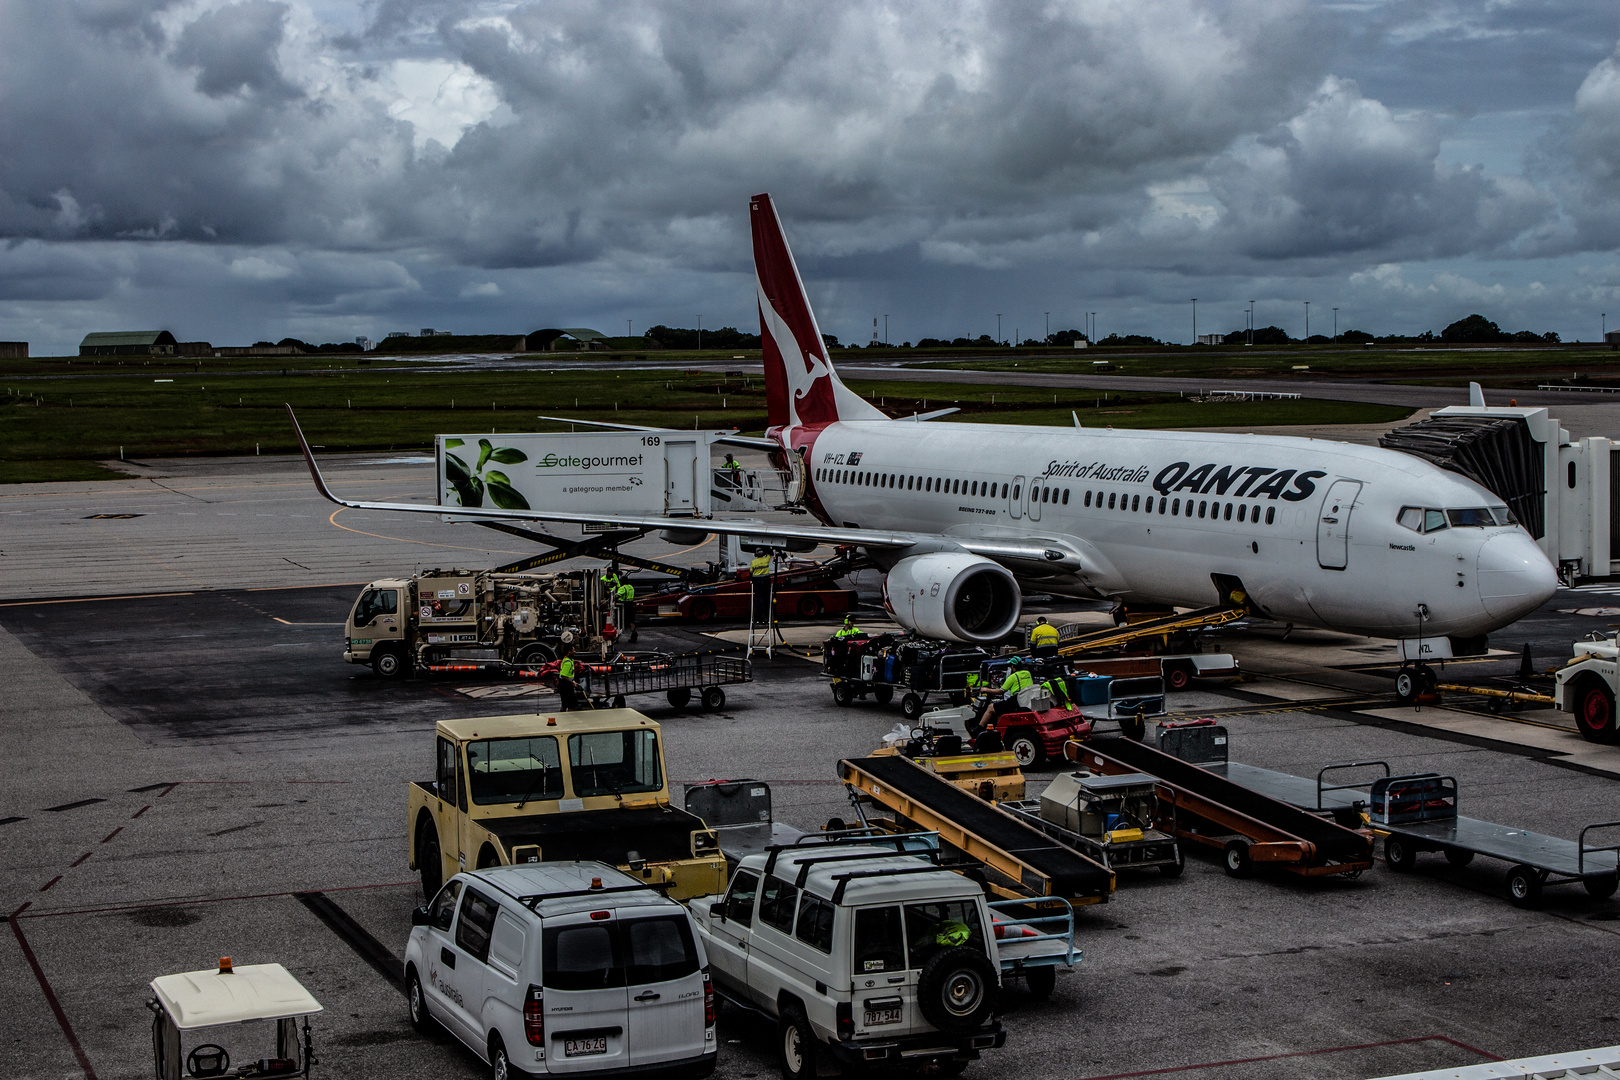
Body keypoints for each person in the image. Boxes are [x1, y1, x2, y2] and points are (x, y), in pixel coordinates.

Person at [556, 646, 583, 711]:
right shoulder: (568, 663)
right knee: (570, 705)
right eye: (574, 650)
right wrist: (573, 682)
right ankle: (570, 718)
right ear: (569, 652)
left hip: (564, 685)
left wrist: (577, 661)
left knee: (564, 704)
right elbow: (563, 675)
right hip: (565, 685)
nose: (575, 652)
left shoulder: (567, 659)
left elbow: (571, 660)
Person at [749, 548, 773, 622]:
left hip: (757, 582)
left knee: (759, 600)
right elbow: (770, 554)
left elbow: (750, 572)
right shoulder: (766, 560)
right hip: (766, 582)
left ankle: (761, 617)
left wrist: (751, 580)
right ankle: (768, 617)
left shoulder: (753, 562)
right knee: (767, 599)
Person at [614, 577, 637, 643]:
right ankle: (634, 635)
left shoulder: (622, 588)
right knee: (631, 621)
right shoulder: (631, 587)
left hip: (624, 605)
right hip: (631, 604)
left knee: (619, 621)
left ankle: (616, 637)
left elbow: (617, 596)